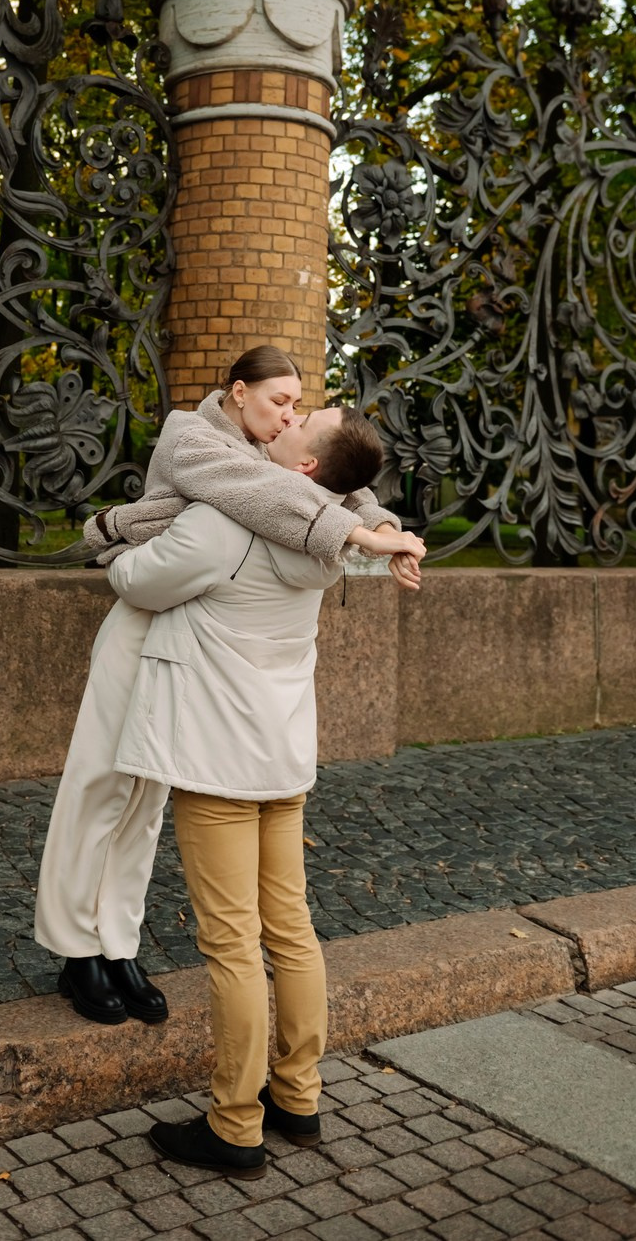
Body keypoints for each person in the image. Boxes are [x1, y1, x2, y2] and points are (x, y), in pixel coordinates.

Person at [33, 344, 424, 1026]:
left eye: (297, 406)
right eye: (278, 401)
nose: (288, 415)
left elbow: (339, 479)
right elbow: (275, 491)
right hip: (142, 622)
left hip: (191, 638)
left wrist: (387, 527)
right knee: (100, 784)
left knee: (149, 793)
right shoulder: (194, 438)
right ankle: (74, 950)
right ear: (237, 391)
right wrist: (363, 532)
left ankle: (118, 942)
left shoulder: (276, 454)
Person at [106, 481, 402, 1179]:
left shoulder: (220, 526)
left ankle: (235, 1125)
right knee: (291, 929)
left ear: (305, 464)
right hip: (284, 756)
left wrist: (117, 541)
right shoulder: (327, 542)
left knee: (232, 944)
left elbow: (136, 580)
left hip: (217, 762)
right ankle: (298, 1096)